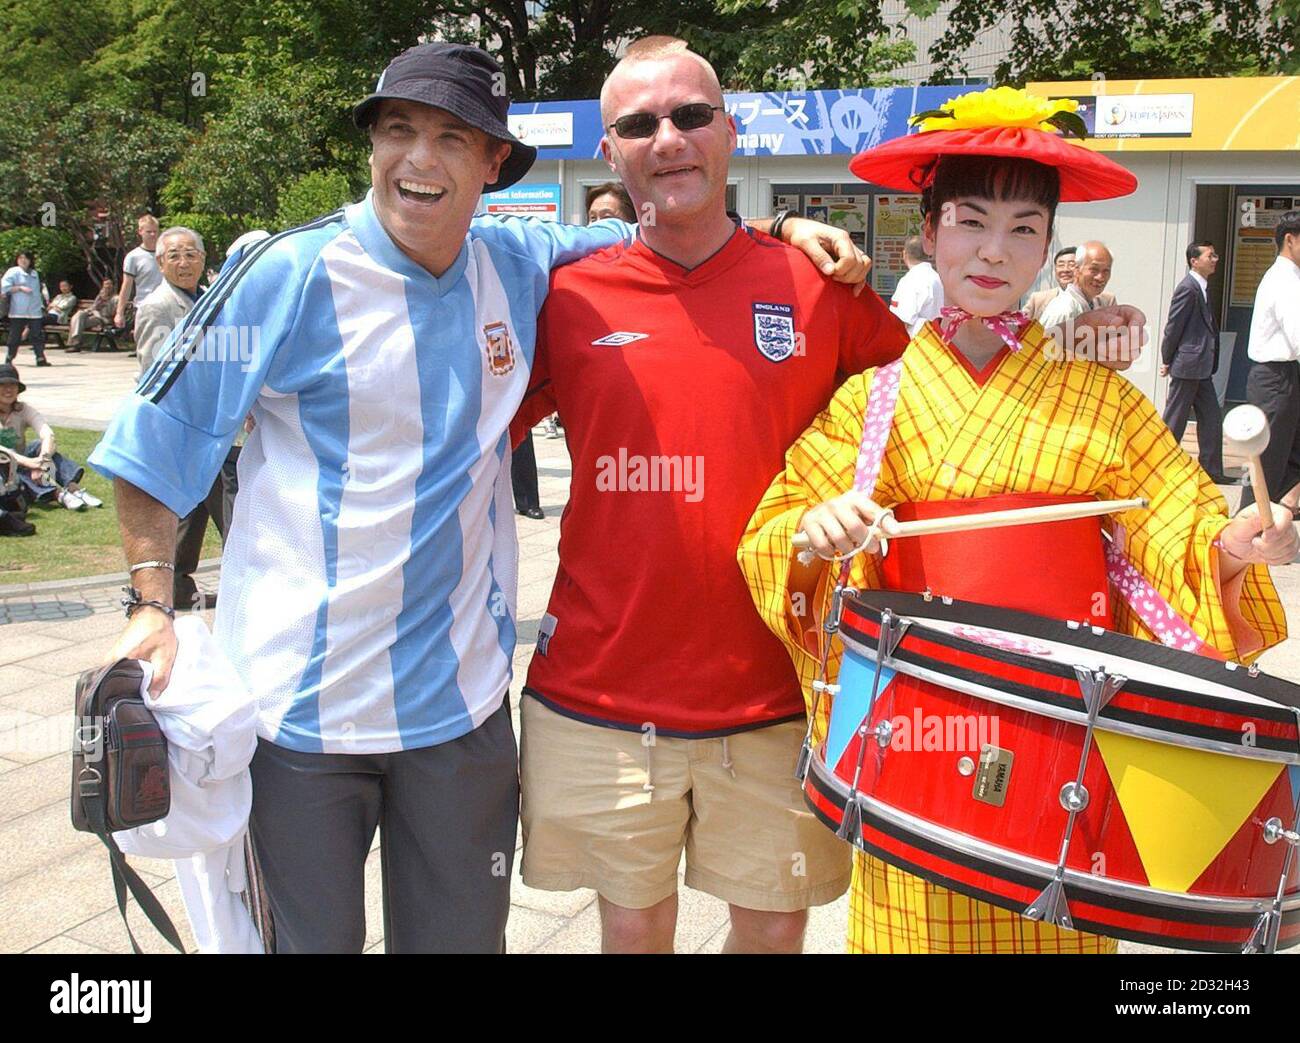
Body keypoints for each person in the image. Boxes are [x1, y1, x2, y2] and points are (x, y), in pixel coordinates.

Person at [89, 40, 850, 955]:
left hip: (462, 717)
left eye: (452, 139)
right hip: (300, 719)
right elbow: (154, 437)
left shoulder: (522, 264)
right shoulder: (286, 273)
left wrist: (781, 235)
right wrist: (148, 603)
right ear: (370, 145)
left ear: (493, 165)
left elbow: (670, 228)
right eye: (397, 131)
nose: (418, 159)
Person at [510, 41, 1141, 955]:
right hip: (603, 695)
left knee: (772, 935)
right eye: (639, 124)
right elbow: (462, 426)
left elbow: (956, 385)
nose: (669, 138)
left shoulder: (817, 283)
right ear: (609, 150)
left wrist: (1073, 335)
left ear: (729, 131)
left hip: (783, 690)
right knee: (631, 932)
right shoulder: (566, 295)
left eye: (691, 116)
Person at [738, 86, 1294, 955]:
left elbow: (1172, 514)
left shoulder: (1100, 397)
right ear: (927, 230)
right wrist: (816, 533)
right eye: (969, 221)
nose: (994, 251)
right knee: (914, 927)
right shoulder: (874, 398)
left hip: (1066, 727)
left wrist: (1230, 544)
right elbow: (773, 529)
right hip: (921, 720)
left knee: (1056, 925)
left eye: (1025, 229)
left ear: (1050, 248)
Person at [1241, 211, 1300, 516]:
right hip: (1275, 379)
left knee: (1286, 456)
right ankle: (1248, 527)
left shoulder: (1291, 278)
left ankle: (1280, 513)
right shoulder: (1283, 280)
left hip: (1284, 376)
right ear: (1290, 240)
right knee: (1266, 461)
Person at [1161, 241, 1228, 482]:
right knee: (1175, 419)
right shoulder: (1188, 289)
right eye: (1210, 256)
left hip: (1201, 367)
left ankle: (1212, 471)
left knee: (1211, 417)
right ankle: (1159, 465)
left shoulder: (1202, 287)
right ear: (1194, 261)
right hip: (1188, 365)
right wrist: (1167, 358)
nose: (1215, 259)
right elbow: (1174, 326)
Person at [0, 363, 101, 511]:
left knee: (38, 446)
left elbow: (47, 434)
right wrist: (30, 463)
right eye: (3, 385)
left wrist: (43, 460)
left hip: (25, 460)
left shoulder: (23, 409)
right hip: (5, 465)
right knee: (15, 469)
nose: (8, 390)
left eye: (12, 385)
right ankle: (58, 494)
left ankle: (74, 490)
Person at [1038, 240, 1116, 335]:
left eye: (1106, 271)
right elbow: (1042, 347)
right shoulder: (1064, 309)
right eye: (1094, 269)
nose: (1100, 277)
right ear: (1077, 270)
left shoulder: (1092, 305)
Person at [113, 214, 162, 331]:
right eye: (149, 232)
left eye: (155, 231)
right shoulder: (133, 257)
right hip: (144, 307)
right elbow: (127, 286)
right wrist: (119, 313)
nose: (153, 235)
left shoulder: (165, 253)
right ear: (140, 231)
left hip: (166, 307)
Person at [2, 251, 51, 367]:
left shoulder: (34, 273)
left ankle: (40, 357)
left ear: (30, 261)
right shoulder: (13, 272)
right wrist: (20, 288)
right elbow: (5, 287)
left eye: (26, 258)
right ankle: (9, 358)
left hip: (34, 309)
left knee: (37, 335)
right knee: (15, 335)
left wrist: (41, 306)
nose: (23, 261)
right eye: (20, 258)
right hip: (18, 309)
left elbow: (38, 291)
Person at [889, 235, 943, 334]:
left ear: (904, 254)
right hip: (937, 341)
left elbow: (901, 320)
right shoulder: (937, 278)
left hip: (916, 344)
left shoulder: (909, 281)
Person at [1023, 245, 1077, 321]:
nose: (1065, 269)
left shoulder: (1093, 301)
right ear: (1055, 269)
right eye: (1061, 265)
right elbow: (1020, 327)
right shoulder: (1038, 299)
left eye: (1072, 265)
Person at [68, 278, 117, 352]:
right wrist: (98, 304)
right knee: (79, 314)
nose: (107, 286)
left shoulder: (116, 298)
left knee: (76, 321)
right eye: (105, 285)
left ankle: (75, 343)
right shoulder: (100, 296)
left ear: (112, 286)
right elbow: (93, 307)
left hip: (103, 319)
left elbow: (112, 313)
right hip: (94, 315)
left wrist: (105, 303)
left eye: (109, 284)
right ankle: (76, 343)